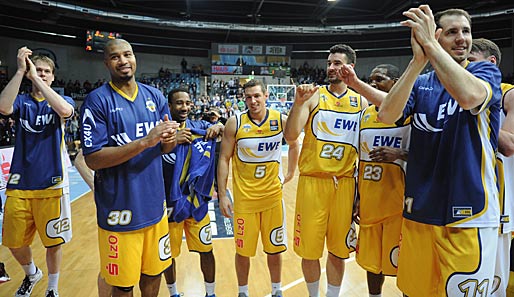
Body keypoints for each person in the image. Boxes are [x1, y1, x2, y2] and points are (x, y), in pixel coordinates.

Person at [375, 6, 501, 296]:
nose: (462, 39)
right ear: (438, 35)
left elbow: (469, 97)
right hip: (420, 209)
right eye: (453, 32)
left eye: (466, 31)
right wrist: (418, 62)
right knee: (414, 291)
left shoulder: (483, 72)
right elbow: (387, 114)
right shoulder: (421, 84)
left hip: (470, 213)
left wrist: (430, 45)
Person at [80, 39, 178, 297]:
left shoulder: (155, 96)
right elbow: (93, 158)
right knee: (123, 285)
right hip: (119, 211)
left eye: (127, 54)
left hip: (154, 205)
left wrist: (168, 141)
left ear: (135, 57)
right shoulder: (97, 101)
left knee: (153, 274)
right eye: (115, 57)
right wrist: (145, 142)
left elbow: (166, 148)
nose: (123, 61)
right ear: (106, 63)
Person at [283, 44, 368, 297]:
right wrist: (298, 104)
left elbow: (364, 150)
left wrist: (360, 194)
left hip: (345, 183)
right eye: (329, 63)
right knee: (309, 251)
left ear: (350, 67)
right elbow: (290, 136)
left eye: (337, 63)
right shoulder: (313, 96)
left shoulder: (361, 101)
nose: (331, 67)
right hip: (313, 182)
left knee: (339, 249)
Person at [0, 47, 75, 297]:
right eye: (38, 70)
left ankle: (52, 289)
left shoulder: (62, 101)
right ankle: (32, 273)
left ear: (53, 77)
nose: (41, 74)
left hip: (52, 183)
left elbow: (64, 111)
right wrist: (22, 70)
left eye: (46, 72)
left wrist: (39, 82)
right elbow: (2, 107)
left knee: (53, 242)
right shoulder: (21, 102)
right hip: (20, 182)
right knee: (13, 241)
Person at [218, 79, 300, 297]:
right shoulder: (234, 123)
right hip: (244, 201)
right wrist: (223, 194)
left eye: (256, 96)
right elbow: (224, 159)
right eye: (248, 97)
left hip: (273, 198)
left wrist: (291, 172)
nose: (252, 101)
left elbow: (294, 143)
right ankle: (242, 292)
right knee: (242, 252)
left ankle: (276, 290)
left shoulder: (280, 120)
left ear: (266, 96)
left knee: (274, 249)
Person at [162, 87, 223, 297]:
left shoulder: (198, 127)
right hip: (169, 204)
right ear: (169, 105)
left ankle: (211, 293)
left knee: (206, 250)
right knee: (168, 254)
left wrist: (218, 126)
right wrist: (171, 140)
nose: (185, 107)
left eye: (187, 103)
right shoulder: (160, 132)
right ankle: (173, 293)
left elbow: (220, 127)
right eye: (179, 103)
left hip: (195, 202)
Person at [355, 64, 410, 297]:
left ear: (396, 82)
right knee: (371, 263)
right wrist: (356, 198)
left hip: (399, 206)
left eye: (380, 79)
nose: (374, 83)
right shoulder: (365, 114)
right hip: (369, 204)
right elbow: (356, 160)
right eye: (371, 79)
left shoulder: (410, 115)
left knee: (405, 263)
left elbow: (430, 154)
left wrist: (399, 154)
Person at [468, 38, 514, 297]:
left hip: (499, 206)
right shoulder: (457, 92)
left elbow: (508, 144)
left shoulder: (508, 93)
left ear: (491, 63)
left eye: (471, 62)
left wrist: (479, 107)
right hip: (464, 202)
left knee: (491, 287)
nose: (464, 68)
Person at [74, 149, 112, 297]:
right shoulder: (107, 127)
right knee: (111, 266)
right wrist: (96, 188)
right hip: (115, 208)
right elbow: (79, 160)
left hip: (148, 204)